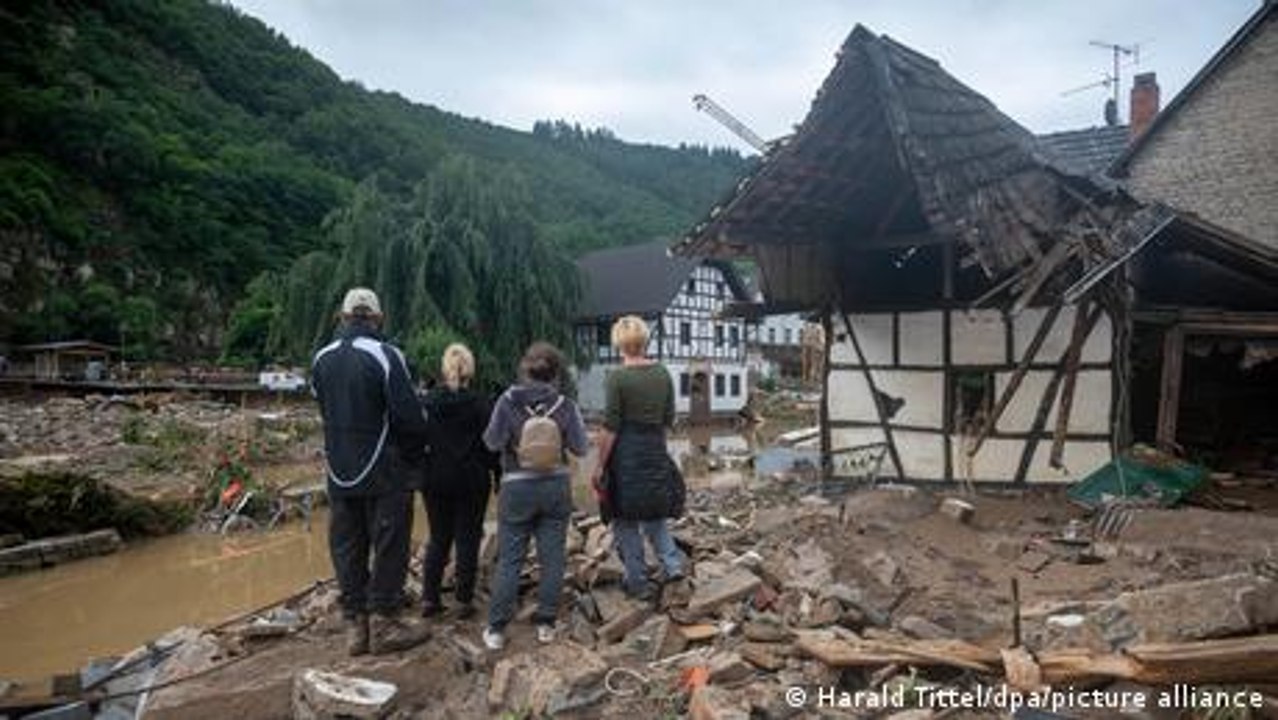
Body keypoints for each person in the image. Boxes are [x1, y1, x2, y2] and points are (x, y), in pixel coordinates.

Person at [310, 287, 431, 656]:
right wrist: (412, 460)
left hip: (339, 469)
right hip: (385, 469)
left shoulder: (321, 359)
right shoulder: (386, 355)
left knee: (347, 545)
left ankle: (355, 626)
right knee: (389, 543)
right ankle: (385, 622)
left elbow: (325, 409)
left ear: (343, 317)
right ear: (378, 318)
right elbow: (409, 417)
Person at [481, 342, 588, 650]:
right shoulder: (566, 405)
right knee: (552, 558)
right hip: (555, 486)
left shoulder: (507, 401)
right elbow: (581, 448)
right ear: (556, 373)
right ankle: (546, 625)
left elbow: (491, 442)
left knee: (510, 559)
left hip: (517, 486)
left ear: (524, 369)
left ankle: (496, 630)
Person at [591, 315, 686, 600]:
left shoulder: (617, 377)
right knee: (654, 513)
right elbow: (669, 419)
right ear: (644, 340)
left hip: (626, 454)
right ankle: (673, 567)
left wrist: (599, 466)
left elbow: (611, 427)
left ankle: (637, 582)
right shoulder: (662, 373)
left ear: (619, 343)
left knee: (624, 518)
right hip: (655, 447)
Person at [419, 343, 499, 620]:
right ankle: (463, 601)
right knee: (468, 538)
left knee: (438, 537)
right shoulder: (481, 403)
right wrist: (497, 473)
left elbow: (418, 439)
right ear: (470, 369)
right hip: (471, 479)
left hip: (435, 479)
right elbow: (491, 445)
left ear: (445, 369)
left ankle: (429, 598)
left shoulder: (428, 402)